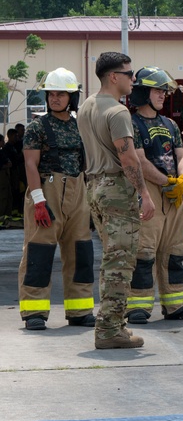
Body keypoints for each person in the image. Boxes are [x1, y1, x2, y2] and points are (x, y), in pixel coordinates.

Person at [77, 52, 154, 349]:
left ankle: (114, 324)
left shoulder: (86, 107)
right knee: (120, 263)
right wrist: (145, 194)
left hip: (95, 185)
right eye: (129, 73)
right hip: (116, 189)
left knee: (112, 258)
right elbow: (128, 157)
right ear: (113, 76)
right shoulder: (118, 112)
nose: (133, 79)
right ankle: (109, 330)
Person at [18, 68, 96, 330]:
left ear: (72, 97)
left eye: (61, 94)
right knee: (39, 252)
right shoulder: (37, 127)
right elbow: (31, 164)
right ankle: (34, 312)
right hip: (46, 191)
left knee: (80, 251)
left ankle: (80, 310)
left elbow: (86, 163)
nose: (55, 98)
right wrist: (39, 200)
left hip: (78, 191)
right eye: (51, 93)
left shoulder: (80, 126)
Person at [125, 67, 183, 324]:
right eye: (159, 90)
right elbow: (138, 160)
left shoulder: (169, 124)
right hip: (150, 191)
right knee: (144, 250)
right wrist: (167, 182)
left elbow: (180, 154)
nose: (164, 96)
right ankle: (138, 306)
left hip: (174, 193)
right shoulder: (131, 123)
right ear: (143, 92)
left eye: (165, 91)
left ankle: (175, 305)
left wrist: (182, 180)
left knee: (175, 250)